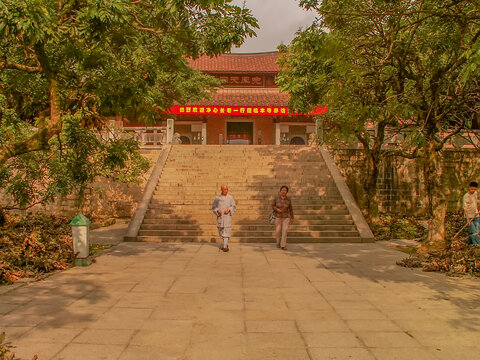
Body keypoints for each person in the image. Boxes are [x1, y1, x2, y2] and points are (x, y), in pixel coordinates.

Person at [212, 185, 236, 252]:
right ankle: (225, 243)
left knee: (226, 231)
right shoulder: (217, 198)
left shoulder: (230, 198)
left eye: (227, 189)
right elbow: (213, 207)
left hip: (227, 217)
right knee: (221, 231)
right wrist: (217, 210)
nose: (226, 191)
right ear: (221, 190)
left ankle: (225, 246)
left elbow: (233, 206)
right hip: (220, 217)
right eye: (224, 189)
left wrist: (229, 209)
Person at [272, 185, 294, 250]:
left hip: (286, 217)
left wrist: (292, 217)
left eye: (285, 190)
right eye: (282, 190)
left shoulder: (288, 199)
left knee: (285, 230)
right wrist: (276, 209)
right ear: (280, 191)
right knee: (278, 231)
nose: (283, 191)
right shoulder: (276, 198)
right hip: (278, 216)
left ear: (287, 192)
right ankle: (278, 243)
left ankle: (283, 245)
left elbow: (291, 208)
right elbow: (272, 206)